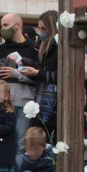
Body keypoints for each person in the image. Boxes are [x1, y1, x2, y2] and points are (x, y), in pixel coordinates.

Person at [0, 13, 40, 168]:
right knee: (0, 142)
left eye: (6, 25)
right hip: (2, 105)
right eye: (1, 25)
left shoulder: (34, 49)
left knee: (21, 144)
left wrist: (18, 75)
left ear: (18, 26)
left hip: (24, 104)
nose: (2, 29)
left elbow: (39, 78)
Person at [34, 10, 60, 139]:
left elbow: (61, 76)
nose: (41, 32)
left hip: (56, 98)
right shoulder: (42, 46)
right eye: (39, 28)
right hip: (42, 95)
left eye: (44, 29)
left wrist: (38, 73)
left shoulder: (59, 47)